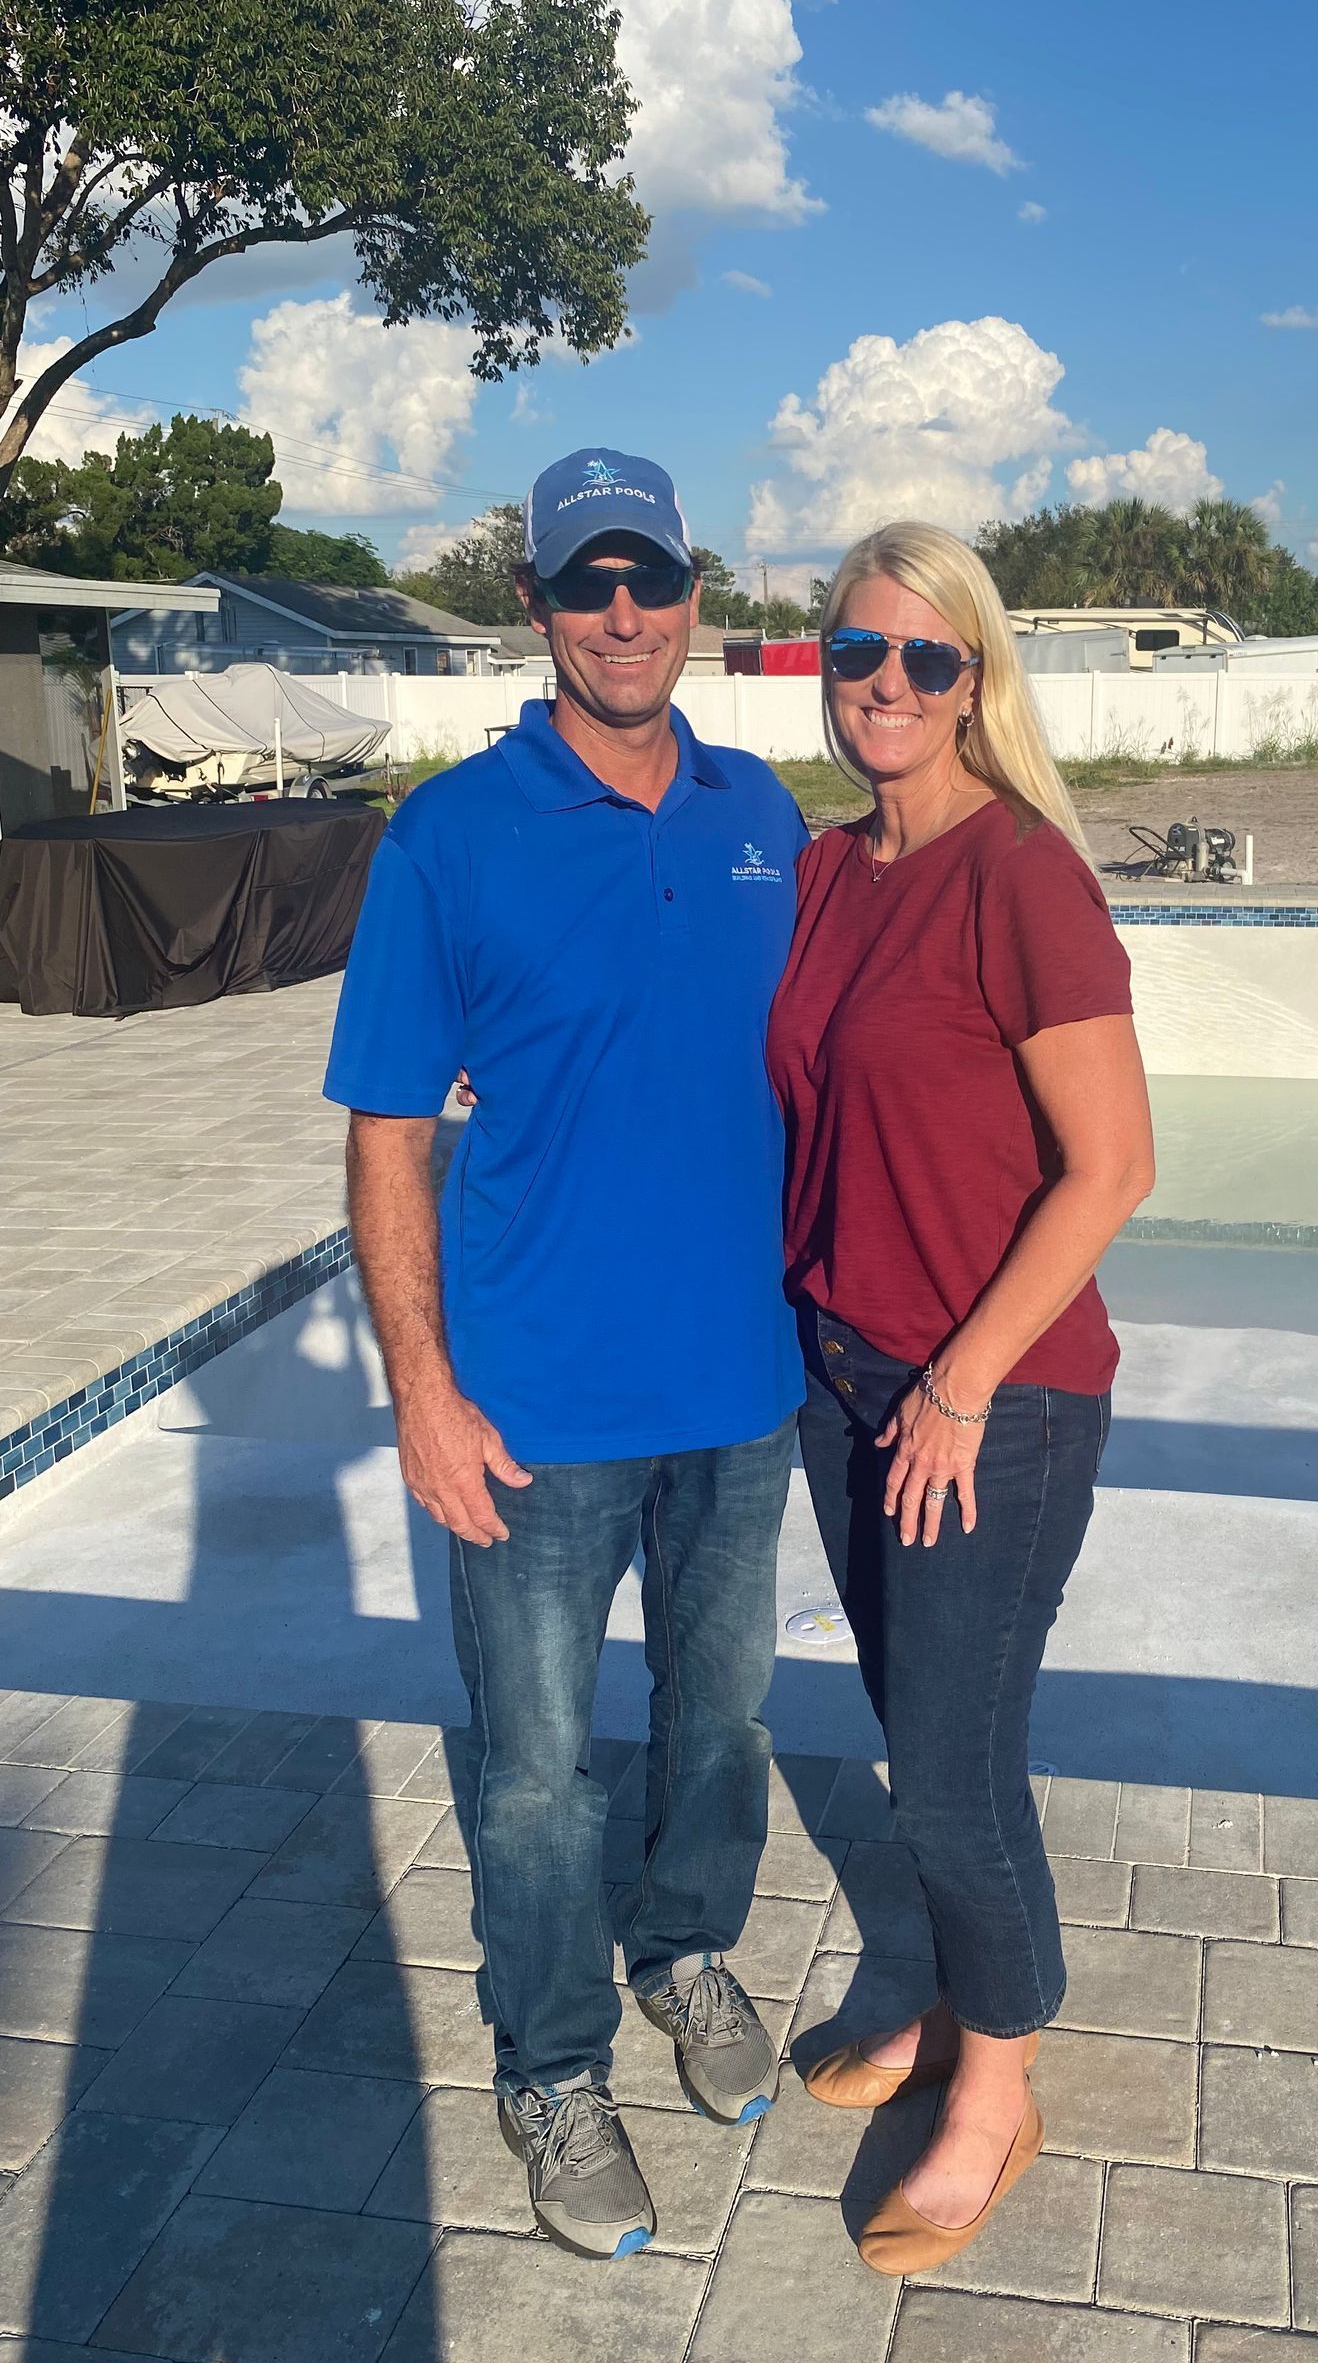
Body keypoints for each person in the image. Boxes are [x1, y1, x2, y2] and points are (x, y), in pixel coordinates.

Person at [323, 448, 809, 2263]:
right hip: (530, 1412)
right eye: (586, 585)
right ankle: (550, 2063)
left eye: (653, 581)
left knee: (723, 1719)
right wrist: (421, 1391)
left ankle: (687, 1955)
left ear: (694, 592)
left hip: (742, 1390)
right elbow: (386, 1133)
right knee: (533, 1771)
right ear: (533, 606)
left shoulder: (768, 815)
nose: (624, 615)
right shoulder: (450, 837)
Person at [766, 520, 1155, 2276]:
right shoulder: (833, 870)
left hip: (988, 1403)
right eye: (863, 655)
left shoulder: (1024, 878)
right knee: (922, 1728)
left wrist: (962, 1384)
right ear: (825, 671)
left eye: (931, 659)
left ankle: (995, 2083)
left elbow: (1113, 1168)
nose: (892, 686)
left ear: (980, 680)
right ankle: (945, 1992)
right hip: (844, 1375)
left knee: (946, 1770)